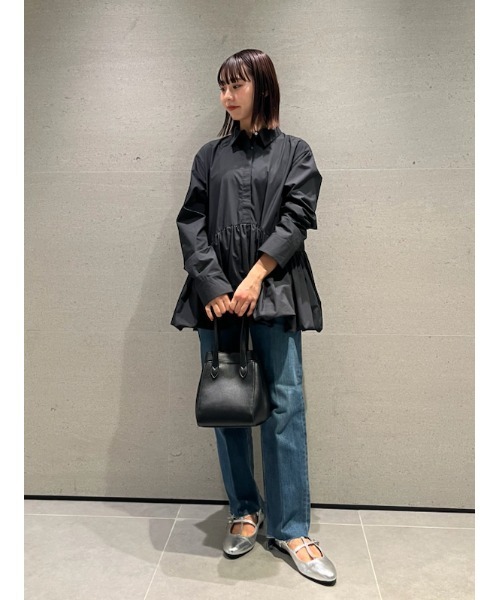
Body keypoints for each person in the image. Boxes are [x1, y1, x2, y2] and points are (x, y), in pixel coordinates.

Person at [171, 49, 336, 585]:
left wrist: (255, 276)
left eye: (236, 84)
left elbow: (298, 217)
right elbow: (191, 221)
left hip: (275, 288)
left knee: (286, 405)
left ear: (262, 86)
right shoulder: (209, 156)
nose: (227, 95)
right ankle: (245, 509)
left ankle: (292, 528)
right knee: (228, 403)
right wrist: (214, 284)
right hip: (218, 298)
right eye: (222, 85)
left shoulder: (295, 152)